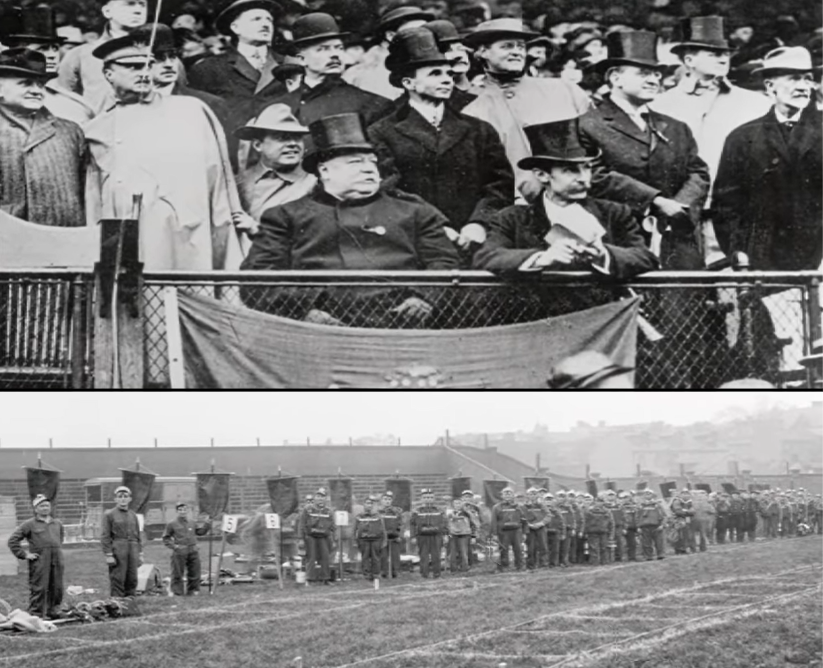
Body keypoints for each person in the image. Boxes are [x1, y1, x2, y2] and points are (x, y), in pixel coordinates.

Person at [240, 112, 459, 326]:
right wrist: (304, 310)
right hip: (320, 333)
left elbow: (445, 262)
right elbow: (257, 280)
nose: (368, 170)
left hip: (404, 327)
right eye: (355, 162)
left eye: (372, 162)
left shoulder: (413, 210)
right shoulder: (286, 216)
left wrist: (424, 298)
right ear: (324, 170)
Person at [84, 32, 246, 271]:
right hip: (132, 241)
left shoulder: (192, 111)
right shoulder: (97, 129)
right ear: (109, 74)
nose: (143, 73)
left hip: (191, 234)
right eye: (132, 67)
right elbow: (95, 197)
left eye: (148, 65)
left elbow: (221, 179)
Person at [368, 27, 513, 262]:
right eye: (435, 73)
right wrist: (435, 227)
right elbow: (388, 189)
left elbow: (499, 184)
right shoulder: (381, 131)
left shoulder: (479, 129)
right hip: (414, 241)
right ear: (409, 82)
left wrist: (479, 223)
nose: (447, 79)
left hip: (474, 242)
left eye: (448, 73)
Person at [578, 30, 710, 271]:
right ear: (615, 78)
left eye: (656, 74)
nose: (653, 80)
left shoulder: (675, 127)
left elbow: (698, 172)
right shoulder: (587, 124)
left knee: (683, 305)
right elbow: (592, 175)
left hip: (674, 237)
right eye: (643, 73)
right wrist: (655, 200)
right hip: (617, 240)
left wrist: (678, 207)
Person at [474, 118, 658, 282]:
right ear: (542, 175)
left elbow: (645, 257)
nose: (584, 178)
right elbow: (487, 257)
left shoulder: (614, 213)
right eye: (570, 170)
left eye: (587, 168)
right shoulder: (512, 218)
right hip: (538, 314)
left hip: (601, 312)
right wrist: (542, 257)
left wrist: (603, 254)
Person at [651, 16, 771, 265]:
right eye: (712, 52)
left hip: (737, 215)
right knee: (684, 291)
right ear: (688, 59)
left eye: (725, 52)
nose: (722, 58)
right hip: (679, 215)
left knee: (737, 291)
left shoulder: (756, 104)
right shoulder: (659, 105)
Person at [713, 47, 821, 272]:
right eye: (793, 79)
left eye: (807, 79)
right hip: (764, 260)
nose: (802, 86)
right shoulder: (743, 138)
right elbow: (726, 205)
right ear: (770, 86)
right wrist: (739, 252)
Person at [460, 18, 591, 203]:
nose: (516, 52)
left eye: (520, 46)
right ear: (482, 52)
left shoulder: (564, 90)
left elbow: (596, 146)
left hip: (579, 199)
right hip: (515, 210)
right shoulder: (473, 109)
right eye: (506, 46)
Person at [0, 49, 86, 228]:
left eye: (40, 85)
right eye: (26, 83)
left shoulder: (70, 131)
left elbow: (87, 190)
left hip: (61, 238)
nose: (36, 91)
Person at [269, 13, 392, 128]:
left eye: (339, 48)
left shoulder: (371, 103)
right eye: (323, 49)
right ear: (301, 59)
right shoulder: (279, 103)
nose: (335, 55)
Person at [1, 4, 95, 127]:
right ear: (17, 51)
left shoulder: (76, 106)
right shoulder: (6, 95)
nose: (52, 55)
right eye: (42, 48)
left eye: (55, 48)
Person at [187, 0, 286, 110]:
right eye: (256, 19)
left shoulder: (290, 64)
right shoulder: (208, 68)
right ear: (235, 28)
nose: (265, 24)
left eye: (269, 20)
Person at [57, 0, 148, 113]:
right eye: (129, 3)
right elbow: (63, 100)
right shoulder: (80, 54)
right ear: (107, 11)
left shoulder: (160, 54)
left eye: (142, 5)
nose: (138, 10)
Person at [234, 103, 316, 221]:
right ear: (258, 145)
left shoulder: (315, 182)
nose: (293, 144)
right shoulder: (240, 183)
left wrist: (255, 229)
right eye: (282, 138)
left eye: (297, 137)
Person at [343, 5, 433, 100]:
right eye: (414, 32)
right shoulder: (371, 71)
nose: (424, 38)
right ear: (391, 36)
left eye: (426, 32)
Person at [7, 495, 65, 619]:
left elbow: (60, 539)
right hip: (40, 559)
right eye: (41, 506)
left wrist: (56, 551)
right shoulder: (29, 524)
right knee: (40, 587)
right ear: (35, 509)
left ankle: (54, 610)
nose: (45, 508)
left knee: (57, 586)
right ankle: (36, 613)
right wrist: (24, 555)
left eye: (47, 505)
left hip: (57, 559)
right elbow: (13, 541)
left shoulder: (57, 523)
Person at [100, 486, 143, 598]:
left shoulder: (133, 515)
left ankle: (130, 603)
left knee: (132, 577)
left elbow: (137, 535)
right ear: (115, 499)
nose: (123, 499)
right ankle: (117, 604)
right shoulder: (109, 514)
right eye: (120, 497)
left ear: (130, 499)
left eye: (125, 496)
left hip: (133, 548)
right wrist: (109, 554)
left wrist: (140, 553)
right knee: (118, 577)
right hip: (118, 548)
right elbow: (105, 536)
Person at [161, 502, 210, 596]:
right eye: (180, 510)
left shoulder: (192, 522)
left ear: (187, 510)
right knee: (177, 572)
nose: (182, 512)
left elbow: (199, 532)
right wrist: (174, 547)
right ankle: (177, 592)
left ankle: (193, 590)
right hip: (180, 550)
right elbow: (166, 538)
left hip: (193, 549)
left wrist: (207, 525)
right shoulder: (172, 523)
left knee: (195, 571)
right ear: (177, 511)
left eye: (184, 509)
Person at [299, 487, 335, 584]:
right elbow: (302, 524)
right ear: (315, 498)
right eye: (318, 496)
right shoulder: (307, 509)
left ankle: (325, 578)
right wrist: (301, 539)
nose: (320, 498)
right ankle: (309, 579)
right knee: (311, 557)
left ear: (325, 499)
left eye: (322, 496)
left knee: (325, 557)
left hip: (324, 537)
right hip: (311, 537)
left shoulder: (329, 511)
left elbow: (333, 526)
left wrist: (334, 539)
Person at [410, 488, 446, 578]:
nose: (428, 499)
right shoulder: (417, 511)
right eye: (425, 497)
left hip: (436, 536)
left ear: (433, 498)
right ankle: (424, 574)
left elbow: (444, 523)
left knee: (436, 555)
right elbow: (412, 524)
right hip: (422, 536)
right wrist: (413, 536)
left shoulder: (439, 510)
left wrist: (446, 535)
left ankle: (437, 573)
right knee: (423, 555)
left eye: (430, 497)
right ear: (422, 498)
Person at [490, 487, 525, 572]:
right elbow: (494, 521)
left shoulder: (519, 507)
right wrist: (494, 534)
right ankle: (505, 566)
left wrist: (524, 532)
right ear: (502, 495)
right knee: (504, 550)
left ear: (513, 495)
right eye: (505, 493)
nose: (507, 495)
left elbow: (524, 519)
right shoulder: (496, 507)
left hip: (516, 531)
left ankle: (519, 566)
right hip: (503, 532)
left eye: (509, 493)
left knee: (518, 549)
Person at [354, 495, 387, 581]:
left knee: (376, 557)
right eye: (367, 503)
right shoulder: (359, 516)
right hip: (363, 540)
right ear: (364, 504)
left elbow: (383, 529)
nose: (369, 505)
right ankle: (366, 575)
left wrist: (384, 540)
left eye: (371, 503)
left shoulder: (378, 516)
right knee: (365, 557)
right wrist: (354, 541)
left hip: (376, 540)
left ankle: (376, 574)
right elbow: (355, 529)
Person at [447, 497, 476, 572]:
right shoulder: (450, 514)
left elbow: (473, 524)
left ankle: (464, 568)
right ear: (453, 504)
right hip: (453, 535)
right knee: (452, 553)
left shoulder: (467, 514)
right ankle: (453, 569)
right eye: (456, 503)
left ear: (462, 504)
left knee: (463, 552)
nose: (457, 505)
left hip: (464, 535)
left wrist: (473, 536)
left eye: (459, 503)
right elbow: (447, 524)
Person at [584, 494, 614, 566]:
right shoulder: (589, 511)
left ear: (603, 502)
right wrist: (585, 531)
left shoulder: (607, 511)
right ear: (595, 502)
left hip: (604, 532)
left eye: (601, 501)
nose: (599, 503)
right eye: (598, 501)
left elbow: (611, 523)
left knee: (604, 547)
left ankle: (604, 561)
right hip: (592, 532)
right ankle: (595, 562)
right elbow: (586, 521)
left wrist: (611, 533)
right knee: (594, 548)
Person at [379, 491, 404, 579]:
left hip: (394, 536)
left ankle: (395, 572)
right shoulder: (378, 512)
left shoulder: (397, 512)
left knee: (395, 556)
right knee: (383, 556)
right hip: (382, 537)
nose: (387, 501)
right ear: (381, 500)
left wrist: (399, 535)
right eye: (385, 499)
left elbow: (401, 524)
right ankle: (384, 572)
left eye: (389, 499)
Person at [522, 488, 547, 570]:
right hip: (530, 528)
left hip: (541, 527)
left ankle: (543, 564)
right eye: (530, 494)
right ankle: (531, 564)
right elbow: (522, 517)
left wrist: (541, 523)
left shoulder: (542, 505)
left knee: (542, 546)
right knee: (531, 547)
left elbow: (548, 515)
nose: (532, 496)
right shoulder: (524, 506)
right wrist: (528, 524)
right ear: (527, 496)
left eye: (534, 494)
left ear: (537, 495)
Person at [637, 489, 665, 560]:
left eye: (649, 494)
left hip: (656, 526)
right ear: (644, 495)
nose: (648, 495)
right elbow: (637, 516)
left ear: (652, 495)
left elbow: (664, 515)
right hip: (645, 526)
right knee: (646, 543)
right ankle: (648, 556)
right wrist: (638, 527)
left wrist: (662, 525)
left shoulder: (657, 505)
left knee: (659, 542)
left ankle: (660, 554)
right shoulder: (641, 506)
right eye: (646, 494)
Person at [543, 493, 567, 567]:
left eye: (550, 500)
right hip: (543, 533)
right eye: (547, 500)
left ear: (553, 501)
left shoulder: (556, 511)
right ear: (543, 501)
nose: (548, 502)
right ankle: (544, 563)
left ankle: (553, 564)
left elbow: (562, 522)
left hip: (555, 532)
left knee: (555, 550)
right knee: (544, 549)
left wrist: (563, 533)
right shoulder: (541, 510)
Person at [670, 488, 696, 554]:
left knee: (687, 535)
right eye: (684, 493)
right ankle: (678, 549)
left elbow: (693, 511)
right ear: (681, 494)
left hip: (688, 520)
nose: (685, 495)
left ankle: (685, 548)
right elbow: (678, 512)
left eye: (687, 494)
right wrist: (687, 512)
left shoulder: (690, 502)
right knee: (679, 536)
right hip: (678, 520)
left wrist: (685, 511)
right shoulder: (677, 501)